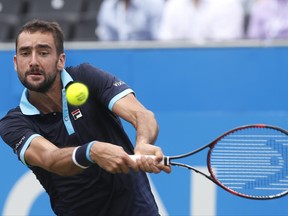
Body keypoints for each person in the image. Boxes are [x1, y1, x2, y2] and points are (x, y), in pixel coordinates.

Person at [0, 19, 170, 216]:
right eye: (25, 53)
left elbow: (141, 114)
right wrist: (92, 151)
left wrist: (142, 143)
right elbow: (50, 158)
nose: (34, 61)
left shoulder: (86, 77)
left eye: (44, 52)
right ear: (15, 63)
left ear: (60, 61)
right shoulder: (14, 123)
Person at [158, 0, 245, 42]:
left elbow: (223, 51)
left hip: (216, 69)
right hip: (178, 67)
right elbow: (165, 45)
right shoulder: (173, 5)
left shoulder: (228, 4)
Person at [96, 0, 165, 41]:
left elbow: (159, 42)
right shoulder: (108, 6)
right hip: (117, 60)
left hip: (148, 59)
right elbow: (106, 43)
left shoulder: (154, 4)